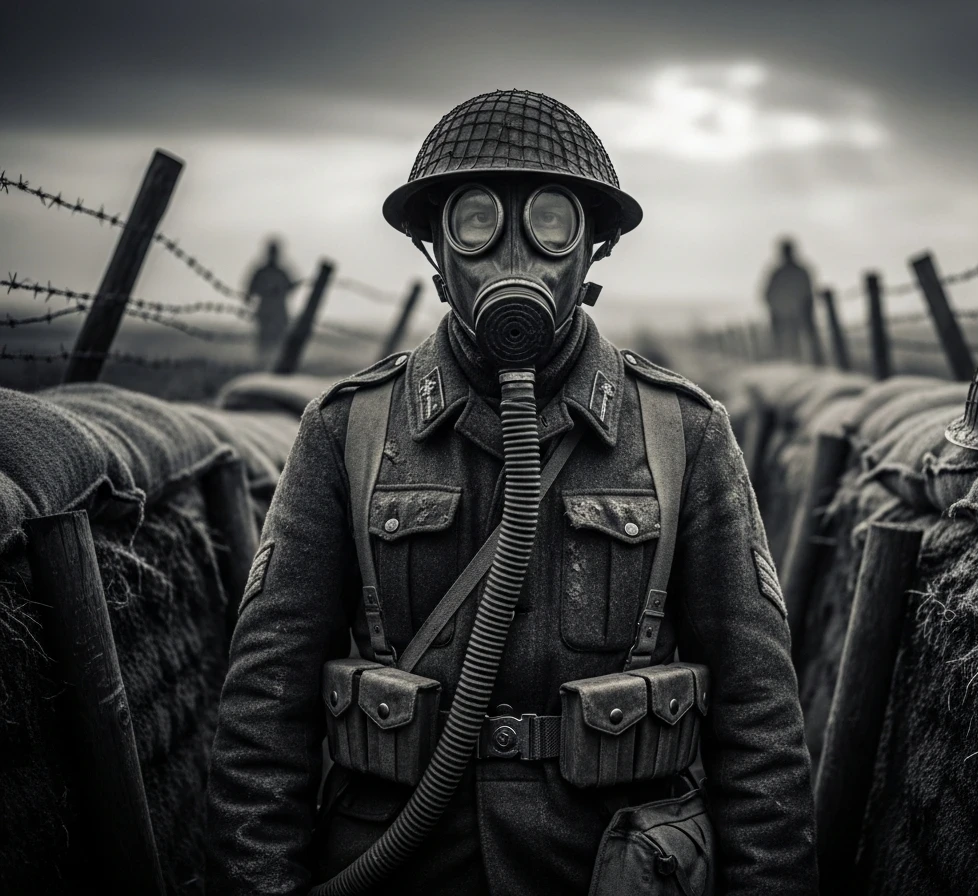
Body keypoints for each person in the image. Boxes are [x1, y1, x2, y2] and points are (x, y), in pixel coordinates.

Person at [206, 90, 818, 895]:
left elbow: (760, 721)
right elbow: (262, 712)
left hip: (608, 868)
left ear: (593, 246)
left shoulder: (682, 434)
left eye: (553, 222)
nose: (517, 255)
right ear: (435, 245)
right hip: (399, 865)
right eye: (478, 221)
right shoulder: (347, 431)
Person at [763, 238, 822, 363]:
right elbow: (768, 294)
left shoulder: (798, 271)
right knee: (787, 347)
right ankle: (791, 364)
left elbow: (808, 292)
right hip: (783, 317)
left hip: (799, 315)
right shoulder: (779, 273)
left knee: (806, 344)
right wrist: (779, 311)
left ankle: (811, 363)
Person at [245, 238, 298, 366]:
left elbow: (291, 287)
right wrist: (268, 291)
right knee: (264, 342)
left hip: (279, 314)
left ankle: (277, 366)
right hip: (266, 314)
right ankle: (262, 365)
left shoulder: (282, 271)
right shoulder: (261, 272)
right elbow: (250, 291)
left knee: (279, 343)